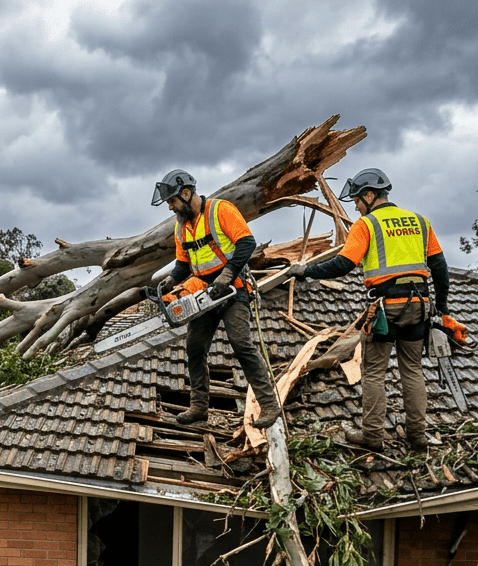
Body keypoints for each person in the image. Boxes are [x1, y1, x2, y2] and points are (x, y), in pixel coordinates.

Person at [285, 168, 456, 451]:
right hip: (420, 305)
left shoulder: (367, 225)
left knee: (374, 370)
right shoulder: (420, 222)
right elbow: (439, 267)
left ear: (369, 195)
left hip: (386, 308)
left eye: (356, 200)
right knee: (412, 370)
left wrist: (306, 271)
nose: (355, 206)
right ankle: (418, 437)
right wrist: (443, 306)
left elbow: (343, 264)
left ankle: (373, 437)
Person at [151, 169, 281, 428]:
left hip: (232, 287)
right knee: (195, 347)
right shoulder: (182, 227)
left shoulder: (220, 210)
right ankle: (199, 406)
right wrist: (168, 283)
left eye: (173, 202)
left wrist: (227, 275)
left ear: (186, 194)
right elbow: (183, 264)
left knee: (240, 343)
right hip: (203, 293)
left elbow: (246, 244)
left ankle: (269, 404)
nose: (171, 208)